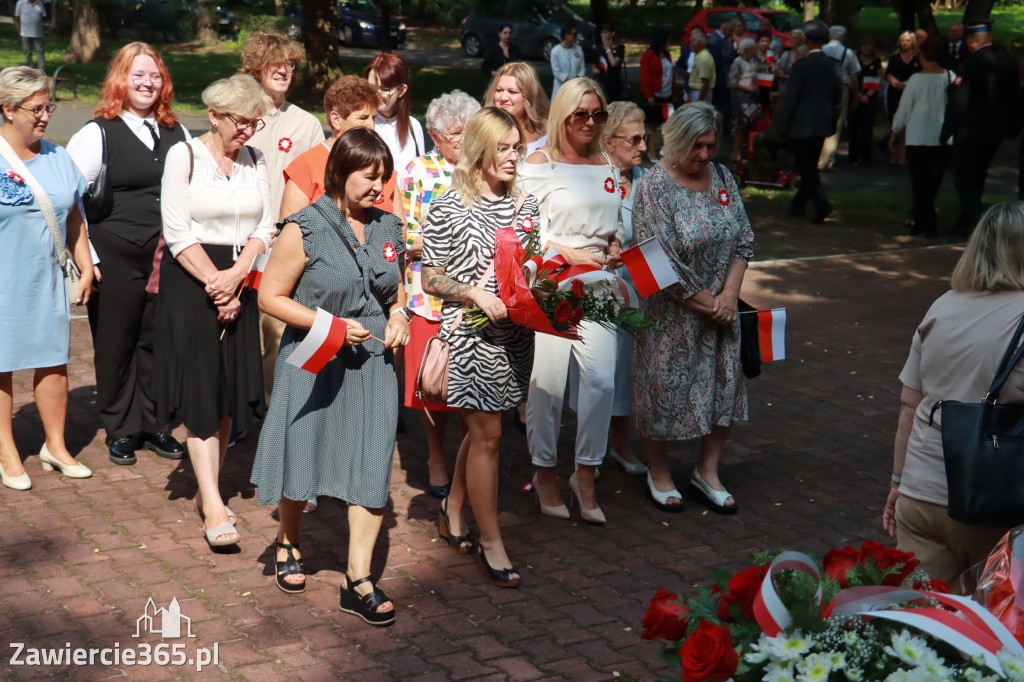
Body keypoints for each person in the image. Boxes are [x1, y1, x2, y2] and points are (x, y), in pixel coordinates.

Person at [251, 127, 408, 620]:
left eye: (383, 177)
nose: (378, 187)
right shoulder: (304, 227)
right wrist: (332, 325)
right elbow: (269, 297)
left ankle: (358, 578)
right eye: (369, 176)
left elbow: (394, 291)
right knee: (306, 447)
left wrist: (400, 313)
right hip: (317, 355)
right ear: (339, 172)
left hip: (374, 361)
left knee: (372, 459)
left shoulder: (387, 226)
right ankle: (289, 539)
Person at [421, 107, 540, 587]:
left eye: (517, 148)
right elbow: (430, 276)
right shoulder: (449, 206)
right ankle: (492, 545)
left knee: (484, 428)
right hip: (468, 336)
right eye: (504, 149)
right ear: (480, 151)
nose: (513, 158)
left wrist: (535, 280)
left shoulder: (525, 204)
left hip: (516, 334)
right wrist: (473, 291)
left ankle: (453, 506)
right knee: (489, 434)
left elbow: (533, 262)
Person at [155, 74, 274, 549]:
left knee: (225, 396)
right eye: (240, 121)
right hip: (193, 288)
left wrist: (241, 273)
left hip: (239, 284)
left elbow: (266, 222)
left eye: (254, 122)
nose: (247, 131)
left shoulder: (257, 159)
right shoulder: (183, 156)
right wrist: (216, 285)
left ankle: (212, 488)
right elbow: (178, 231)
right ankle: (210, 500)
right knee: (202, 394)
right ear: (214, 115)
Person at [883, 202, 1024, 593]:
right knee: (1000, 635)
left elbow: (910, 405)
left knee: (923, 630)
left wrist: (897, 485)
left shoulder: (942, 306)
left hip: (920, 494)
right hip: (994, 501)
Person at [66, 43, 189, 466]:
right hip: (114, 254)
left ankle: (156, 423)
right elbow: (70, 199)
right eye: (138, 75)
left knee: (157, 341)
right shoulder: (98, 131)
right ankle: (121, 427)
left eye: (154, 76)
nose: (146, 83)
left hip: (164, 257)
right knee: (116, 342)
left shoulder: (178, 131)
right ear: (121, 78)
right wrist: (89, 259)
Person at [632, 102, 753, 515]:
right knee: (661, 391)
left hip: (721, 310)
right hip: (670, 315)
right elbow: (657, 262)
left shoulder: (722, 178)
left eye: (710, 145)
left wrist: (730, 297)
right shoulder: (652, 187)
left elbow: (743, 241)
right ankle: (660, 471)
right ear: (677, 141)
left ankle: (708, 471)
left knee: (723, 388)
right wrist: (709, 304)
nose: (704, 155)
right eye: (696, 146)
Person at [520, 78, 623, 525]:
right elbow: (524, 230)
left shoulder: (606, 162)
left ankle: (586, 471)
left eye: (598, 114)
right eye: (580, 114)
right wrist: (572, 252)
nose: (589, 122)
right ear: (562, 115)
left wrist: (617, 241)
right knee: (548, 384)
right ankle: (545, 471)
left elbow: (614, 221)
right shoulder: (538, 164)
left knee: (601, 381)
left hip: (599, 282)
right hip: (550, 282)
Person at [0, 66, 94, 490]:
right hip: (4, 279)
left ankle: (55, 446)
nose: (44, 116)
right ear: (7, 109)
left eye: (48, 106)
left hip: (46, 277)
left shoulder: (58, 156)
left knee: (53, 359)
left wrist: (86, 263)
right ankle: (7, 453)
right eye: (35, 109)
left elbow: (73, 215)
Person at [397, 90, 480, 499]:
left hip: (476, 293)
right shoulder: (417, 171)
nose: (462, 142)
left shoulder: (481, 170)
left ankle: (470, 457)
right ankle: (435, 457)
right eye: (454, 134)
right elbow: (405, 232)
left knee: (470, 383)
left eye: (468, 132)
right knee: (434, 382)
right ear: (433, 134)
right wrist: (437, 244)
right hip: (429, 295)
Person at [240, 31, 326, 418]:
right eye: (275, 63)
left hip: (279, 245)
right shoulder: (240, 114)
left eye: (290, 64)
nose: (283, 70)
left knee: (274, 330)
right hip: (238, 239)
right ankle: (237, 403)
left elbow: (314, 186)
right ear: (257, 67)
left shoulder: (305, 124)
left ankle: (271, 409)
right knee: (238, 330)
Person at [599, 101, 648, 476]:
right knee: (600, 374)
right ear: (608, 141)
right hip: (599, 293)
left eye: (644, 138)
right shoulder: (595, 180)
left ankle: (620, 445)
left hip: (641, 290)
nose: (643, 146)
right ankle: (592, 449)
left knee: (628, 372)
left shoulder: (647, 181)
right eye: (634, 139)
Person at [940, 20, 1021, 238]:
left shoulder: (972, 64)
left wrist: (946, 131)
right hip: (996, 131)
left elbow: (959, 101)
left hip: (970, 131)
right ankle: (963, 223)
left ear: (971, 41)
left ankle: (986, 227)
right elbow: (1014, 95)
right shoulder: (1008, 61)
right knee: (977, 179)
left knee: (964, 182)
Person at [279, 75, 383, 220]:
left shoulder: (380, 163)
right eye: (363, 118)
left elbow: (398, 228)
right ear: (336, 120)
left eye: (374, 118)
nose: (371, 126)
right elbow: (289, 230)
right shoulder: (306, 166)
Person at [774, 19, 842, 224]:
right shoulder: (833, 65)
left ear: (806, 40)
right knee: (809, 165)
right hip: (821, 124)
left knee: (805, 166)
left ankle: (821, 203)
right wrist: (832, 123)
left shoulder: (802, 66)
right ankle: (798, 205)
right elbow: (837, 100)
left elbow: (791, 99)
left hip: (801, 125)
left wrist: (783, 125)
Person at [891, 36, 952, 238]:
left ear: (922, 55)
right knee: (932, 182)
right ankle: (924, 220)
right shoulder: (950, 77)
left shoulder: (916, 79)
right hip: (942, 137)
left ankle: (924, 222)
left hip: (918, 136)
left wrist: (896, 130)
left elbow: (904, 109)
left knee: (920, 183)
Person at [363, 53, 424, 177]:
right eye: (371, 87)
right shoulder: (361, 124)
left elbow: (421, 174)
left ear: (401, 90)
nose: (376, 94)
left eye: (385, 89)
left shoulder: (413, 127)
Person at [485, 62, 550, 156]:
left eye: (512, 92)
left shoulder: (547, 128)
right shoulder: (483, 130)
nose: (503, 98)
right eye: (499, 90)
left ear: (528, 96)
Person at [820, 25, 860, 171]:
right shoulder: (848, 53)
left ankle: (826, 159)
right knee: (835, 124)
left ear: (830, 36)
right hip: (841, 87)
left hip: (823, 88)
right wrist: (855, 96)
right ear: (843, 37)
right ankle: (825, 162)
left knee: (822, 121)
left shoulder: (822, 50)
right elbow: (854, 77)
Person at [885, 32, 921, 167]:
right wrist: (896, 83)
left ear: (913, 42)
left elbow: (920, 74)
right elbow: (889, 74)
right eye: (903, 41)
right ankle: (893, 155)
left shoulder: (918, 58)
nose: (905, 43)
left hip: (912, 93)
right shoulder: (894, 58)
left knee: (908, 126)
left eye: (908, 41)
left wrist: (906, 84)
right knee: (895, 125)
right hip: (895, 93)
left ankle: (902, 156)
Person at [640, 30, 676, 161]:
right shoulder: (648, 55)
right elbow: (645, 76)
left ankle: (666, 151)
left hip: (667, 95)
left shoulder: (667, 55)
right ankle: (650, 152)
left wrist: (674, 92)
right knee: (652, 126)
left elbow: (671, 75)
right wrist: (649, 95)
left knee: (669, 125)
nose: (669, 43)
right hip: (654, 96)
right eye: (668, 41)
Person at [847, 37, 883, 167]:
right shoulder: (854, 60)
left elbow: (879, 79)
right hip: (855, 96)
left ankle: (867, 157)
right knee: (854, 128)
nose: (866, 48)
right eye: (864, 45)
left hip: (870, 98)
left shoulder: (877, 61)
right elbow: (850, 78)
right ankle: (853, 157)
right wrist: (858, 95)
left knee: (867, 128)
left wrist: (868, 95)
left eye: (869, 45)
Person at [727, 38, 758, 163]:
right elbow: (732, 82)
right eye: (753, 48)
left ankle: (746, 151)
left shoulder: (752, 62)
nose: (755, 51)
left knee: (748, 123)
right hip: (740, 99)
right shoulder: (738, 62)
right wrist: (749, 88)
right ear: (747, 49)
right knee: (739, 125)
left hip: (751, 100)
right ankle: (736, 152)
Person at [707, 19, 737, 138]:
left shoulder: (717, 39)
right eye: (730, 31)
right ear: (725, 30)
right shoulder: (716, 40)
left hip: (721, 79)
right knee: (721, 107)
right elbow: (723, 57)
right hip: (720, 80)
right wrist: (731, 45)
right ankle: (722, 133)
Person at [594, 23, 627, 103]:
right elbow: (594, 67)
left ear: (612, 33)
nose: (603, 35)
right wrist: (597, 70)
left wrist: (608, 48)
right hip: (602, 85)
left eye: (605, 32)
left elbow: (614, 63)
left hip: (615, 85)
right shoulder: (599, 49)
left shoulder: (619, 48)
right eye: (602, 33)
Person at [550, 23, 586, 99]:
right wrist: (568, 81)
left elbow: (582, 67)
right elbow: (556, 71)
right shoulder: (555, 51)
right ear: (566, 35)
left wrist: (579, 79)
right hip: (561, 89)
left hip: (576, 88)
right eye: (574, 34)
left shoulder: (578, 49)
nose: (576, 36)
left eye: (577, 34)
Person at [14, 0, 45, 72]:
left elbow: (43, 16)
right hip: (25, 32)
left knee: (40, 51)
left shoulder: (40, 3)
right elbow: (17, 17)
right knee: (27, 52)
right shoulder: (20, 3)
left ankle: (42, 70)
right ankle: (29, 70)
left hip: (38, 33)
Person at [687, 32, 715, 104]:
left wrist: (700, 101)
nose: (690, 45)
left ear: (698, 44)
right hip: (697, 92)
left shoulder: (703, 58)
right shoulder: (700, 56)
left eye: (691, 43)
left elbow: (705, 83)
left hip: (700, 93)